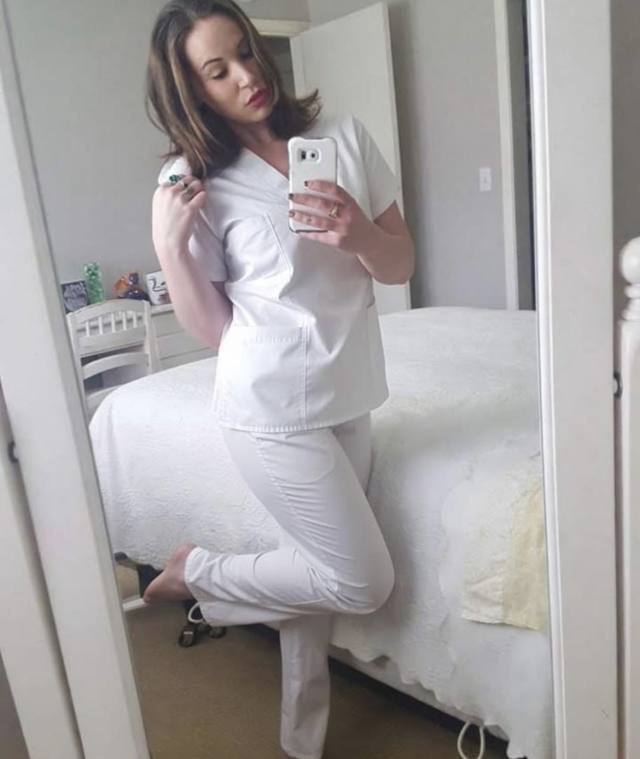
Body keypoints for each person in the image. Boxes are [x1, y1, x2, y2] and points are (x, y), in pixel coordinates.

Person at [142, 1, 415, 757]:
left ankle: (300, 741)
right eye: (217, 70)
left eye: (245, 51)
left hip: (349, 388)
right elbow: (213, 329)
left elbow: (400, 264)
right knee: (362, 581)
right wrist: (168, 248)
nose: (246, 75)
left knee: (317, 578)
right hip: (268, 407)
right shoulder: (193, 183)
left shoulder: (343, 138)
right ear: (193, 90)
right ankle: (197, 572)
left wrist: (360, 235)